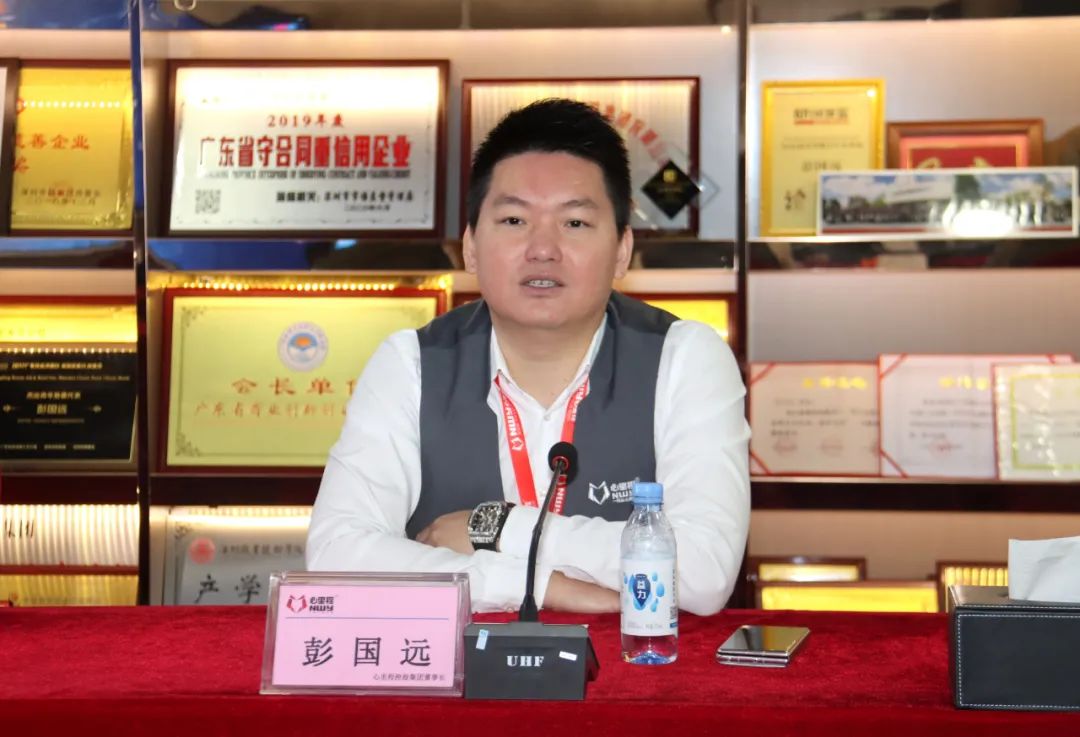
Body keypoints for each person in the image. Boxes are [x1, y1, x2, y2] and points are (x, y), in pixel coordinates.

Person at [306, 98, 749, 614]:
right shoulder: (412, 363)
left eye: (575, 223)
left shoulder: (685, 358)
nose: (543, 249)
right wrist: (538, 586)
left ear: (622, 251)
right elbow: (334, 554)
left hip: (632, 663)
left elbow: (704, 571)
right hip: (459, 666)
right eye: (514, 219)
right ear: (471, 248)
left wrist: (499, 527)